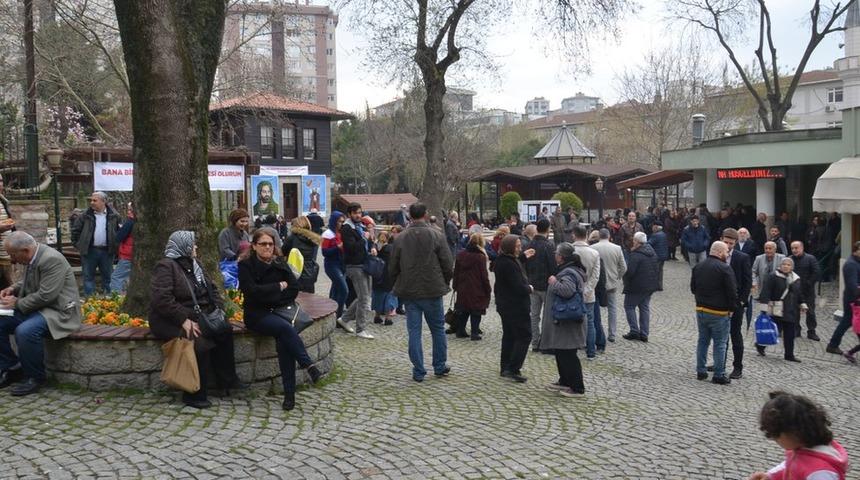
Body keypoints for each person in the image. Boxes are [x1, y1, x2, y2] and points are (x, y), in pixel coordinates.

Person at [149, 230, 243, 409]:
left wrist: (218, 310)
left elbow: (212, 289)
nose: (196, 247)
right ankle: (193, 393)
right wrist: (182, 319)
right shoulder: (166, 266)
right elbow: (161, 299)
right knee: (199, 343)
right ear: (183, 247)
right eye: (193, 244)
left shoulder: (195, 264)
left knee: (225, 330)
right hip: (169, 319)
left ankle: (227, 381)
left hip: (200, 314)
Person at [238, 228, 322, 410]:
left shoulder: (280, 263)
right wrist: (277, 286)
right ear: (254, 246)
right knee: (285, 329)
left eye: (270, 244)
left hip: (280, 312)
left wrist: (270, 294)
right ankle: (308, 365)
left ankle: (289, 395)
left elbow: (293, 289)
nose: (267, 247)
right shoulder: (246, 266)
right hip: (256, 316)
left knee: (285, 342)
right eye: (263, 244)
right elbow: (251, 292)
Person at [0, 232, 81, 396]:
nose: (12, 259)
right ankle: (11, 367)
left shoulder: (51, 259)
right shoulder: (34, 256)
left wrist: (17, 303)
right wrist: (13, 288)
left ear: (25, 250)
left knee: (25, 331)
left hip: (57, 311)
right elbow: (29, 280)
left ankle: (35, 378)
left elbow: (46, 295)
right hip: (38, 308)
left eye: (13, 254)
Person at [389, 203, 453, 382]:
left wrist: (396, 282)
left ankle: (418, 370)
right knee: (437, 330)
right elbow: (447, 263)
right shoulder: (437, 235)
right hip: (432, 289)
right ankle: (439, 366)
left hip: (410, 290)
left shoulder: (401, 238)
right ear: (425, 215)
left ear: (409, 216)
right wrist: (445, 281)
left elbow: (392, 265)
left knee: (414, 332)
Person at [748, 391, 849, 480]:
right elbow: (790, 465)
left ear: (793, 432)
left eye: (775, 434)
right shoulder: (802, 449)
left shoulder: (819, 471)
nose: (774, 439)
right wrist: (770, 476)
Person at [540, 244, 588, 397]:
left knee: (568, 353)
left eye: (557, 254)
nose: (555, 256)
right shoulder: (569, 269)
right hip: (564, 319)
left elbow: (567, 291)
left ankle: (577, 387)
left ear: (561, 256)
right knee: (561, 351)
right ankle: (565, 381)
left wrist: (554, 282)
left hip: (567, 320)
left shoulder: (568, 272)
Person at [690, 241, 736, 385]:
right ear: (720, 252)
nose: (727, 254)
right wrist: (732, 308)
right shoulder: (725, 268)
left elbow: (693, 288)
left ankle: (701, 370)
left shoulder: (698, 266)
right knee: (720, 344)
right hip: (719, 312)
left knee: (702, 341)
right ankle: (719, 374)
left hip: (701, 310)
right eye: (726, 252)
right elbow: (732, 292)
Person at [493, 235, 533, 383]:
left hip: (505, 305)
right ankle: (513, 367)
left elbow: (512, 265)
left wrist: (522, 257)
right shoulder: (508, 264)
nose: (520, 247)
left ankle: (505, 366)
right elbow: (517, 286)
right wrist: (529, 288)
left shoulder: (502, 260)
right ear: (510, 247)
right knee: (524, 335)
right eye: (517, 246)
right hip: (515, 306)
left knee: (509, 335)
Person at [756, 257, 808, 363]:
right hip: (777, 309)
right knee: (773, 331)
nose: (786, 266)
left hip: (791, 310)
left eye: (788, 265)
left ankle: (789, 354)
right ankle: (760, 346)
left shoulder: (795, 278)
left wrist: (802, 304)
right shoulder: (773, 276)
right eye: (784, 264)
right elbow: (766, 292)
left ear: (792, 267)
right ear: (780, 265)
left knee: (790, 333)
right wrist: (764, 308)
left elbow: (799, 293)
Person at [71, 191, 120, 295]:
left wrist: (115, 246)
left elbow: (118, 232)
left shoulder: (114, 216)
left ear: (104, 202)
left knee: (108, 277)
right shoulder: (84, 216)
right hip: (89, 251)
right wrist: (79, 245)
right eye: (91, 200)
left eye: (95, 200)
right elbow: (75, 231)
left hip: (107, 251)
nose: (92, 202)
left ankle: (110, 301)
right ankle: (90, 302)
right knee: (88, 277)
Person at [341, 202, 377, 339]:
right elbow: (351, 248)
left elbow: (369, 240)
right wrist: (363, 239)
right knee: (364, 298)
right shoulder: (346, 228)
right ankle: (360, 329)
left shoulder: (360, 226)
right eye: (355, 213)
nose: (358, 215)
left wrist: (372, 246)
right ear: (349, 214)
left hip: (365, 264)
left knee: (365, 296)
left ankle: (344, 319)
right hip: (354, 266)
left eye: (360, 213)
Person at [720, 228, 751, 380]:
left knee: (735, 334)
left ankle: (737, 366)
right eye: (725, 242)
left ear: (735, 243)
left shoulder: (742, 258)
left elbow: (747, 281)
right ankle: (720, 362)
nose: (728, 246)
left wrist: (741, 301)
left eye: (731, 243)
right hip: (720, 302)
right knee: (721, 335)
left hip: (736, 303)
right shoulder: (716, 254)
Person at [522, 218, 556, 351]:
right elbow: (552, 266)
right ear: (548, 229)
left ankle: (535, 342)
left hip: (532, 284)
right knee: (548, 316)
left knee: (534, 315)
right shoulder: (548, 245)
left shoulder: (530, 244)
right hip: (546, 285)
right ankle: (546, 343)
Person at [452, 232, 491, 340]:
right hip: (476, 287)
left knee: (463, 309)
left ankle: (460, 330)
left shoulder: (461, 255)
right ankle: (474, 332)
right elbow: (484, 275)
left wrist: (455, 286)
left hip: (463, 286)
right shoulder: (480, 257)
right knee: (476, 310)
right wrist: (487, 288)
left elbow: (456, 272)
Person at [571, 226, 602, 359]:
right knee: (590, 322)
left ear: (574, 235)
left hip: (572, 291)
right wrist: (588, 290)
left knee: (571, 321)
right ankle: (591, 352)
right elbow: (596, 276)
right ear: (586, 235)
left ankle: (572, 348)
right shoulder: (594, 253)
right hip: (589, 292)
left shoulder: (569, 250)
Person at [622, 232, 659, 342]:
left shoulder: (636, 255)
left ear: (638, 242)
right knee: (644, 307)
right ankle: (644, 333)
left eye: (634, 240)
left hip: (636, 286)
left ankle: (634, 331)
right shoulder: (652, 252)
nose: (633, 242)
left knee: (629, 306)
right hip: (650, 285)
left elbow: (630, 272)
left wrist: (625, 280)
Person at [591, 228, 626, 343]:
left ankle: (597, 331)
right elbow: (624, 267)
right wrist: (617, 277)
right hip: (611, 282)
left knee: (595, 308)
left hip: (597, 283)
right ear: (609, 236)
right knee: (612, 308)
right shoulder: (617, 248)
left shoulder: (593, 248)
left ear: (599, 236)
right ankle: (612, 333)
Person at [826, 241, 860, 355]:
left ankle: (833, 345)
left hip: (854, 298)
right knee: (847, 322)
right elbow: (852, 285)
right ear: (856, 250)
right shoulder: (851, 264)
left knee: (848, 322)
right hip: (853, 299)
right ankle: (833, 345)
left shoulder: (856, 262)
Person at [321, 211, 350, 329]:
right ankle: (338, 316)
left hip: (341, 264)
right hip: (331, 265)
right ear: (334, 221)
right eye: (339, 221)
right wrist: (337, 248)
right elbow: (324, 252)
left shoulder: (341, 233)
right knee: (344, 290)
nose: (341, 224)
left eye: (343, 222)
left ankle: (331, 314)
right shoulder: (327, 234)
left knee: (335, 290)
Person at [790, 241, 821, 341]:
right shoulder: (789, 259)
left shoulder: (810, 258)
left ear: (802, 248)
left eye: (796, 248)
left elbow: (816, 272)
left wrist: (809, 283)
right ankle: (796, 329)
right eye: (792, 248)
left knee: (810, 311)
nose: (794, 250)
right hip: (794, 291)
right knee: (794, 312)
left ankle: (811, 331)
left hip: (808, 291)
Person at [284, 215, 321, 294]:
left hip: (296, 272)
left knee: (296, 298)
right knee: (310, 297)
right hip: (310, 272)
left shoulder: (292, 238)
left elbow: (282, 252)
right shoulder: (312, 238)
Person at [371, 231, 398, 326]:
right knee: (388, 296)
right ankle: (385, 317)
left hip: (379, 275)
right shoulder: (389, 248)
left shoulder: (376, 248)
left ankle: (379, 316)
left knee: (380, 296)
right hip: (387, 276)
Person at [109, 202, 135, 294]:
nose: (128, 212)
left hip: (127, 255)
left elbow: (119, 237)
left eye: (130, 210)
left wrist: (120, 229)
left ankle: (116, 299)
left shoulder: (130, 222)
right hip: (135, 254)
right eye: (127, 209)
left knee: (116, 277)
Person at [0, 173, 16, 289]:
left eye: (0, 181)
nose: (0, 184)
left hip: (6, 256)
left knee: (8, 290)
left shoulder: (3, 200)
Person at [648, 221, 669, 291]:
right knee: (660, 271)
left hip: (656, 256)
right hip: (663, 255)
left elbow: (649, 244)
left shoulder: (655, 235)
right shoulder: (663, 234)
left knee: (655, 271)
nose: (652, 228)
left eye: (653, 226)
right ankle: (660, 286)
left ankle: (654, 286)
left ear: (656, 227)